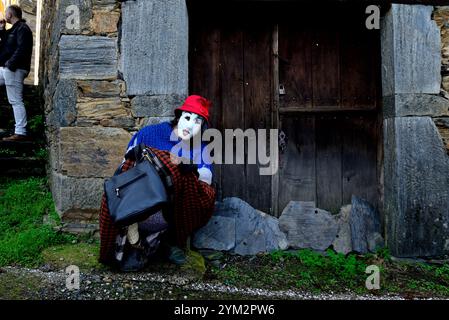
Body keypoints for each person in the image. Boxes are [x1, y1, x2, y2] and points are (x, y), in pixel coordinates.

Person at [99, 95, 216, 268]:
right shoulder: (149, 133)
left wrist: (189, 171)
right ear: (179, 116)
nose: (191, 125)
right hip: (140, 199)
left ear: (203, 127)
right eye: (188, 117)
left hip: (173, 209)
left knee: (181, 169)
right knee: (156, 160)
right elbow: (125, 166)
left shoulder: (202, 148)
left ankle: (167, 242)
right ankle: (130, 231)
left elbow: (205, 183)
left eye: (198, 122)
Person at [0, 5, 33, 142]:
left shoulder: (22, 29)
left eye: (6, 13)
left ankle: (20, 132)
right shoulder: (12, 29)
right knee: (15, 100)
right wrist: (1, 29)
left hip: (15, 68)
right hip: (8, 68)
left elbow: (22, 49)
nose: (4, 16)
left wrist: (10, 65)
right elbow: (4, 47)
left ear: (10, 14)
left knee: (15, 100)